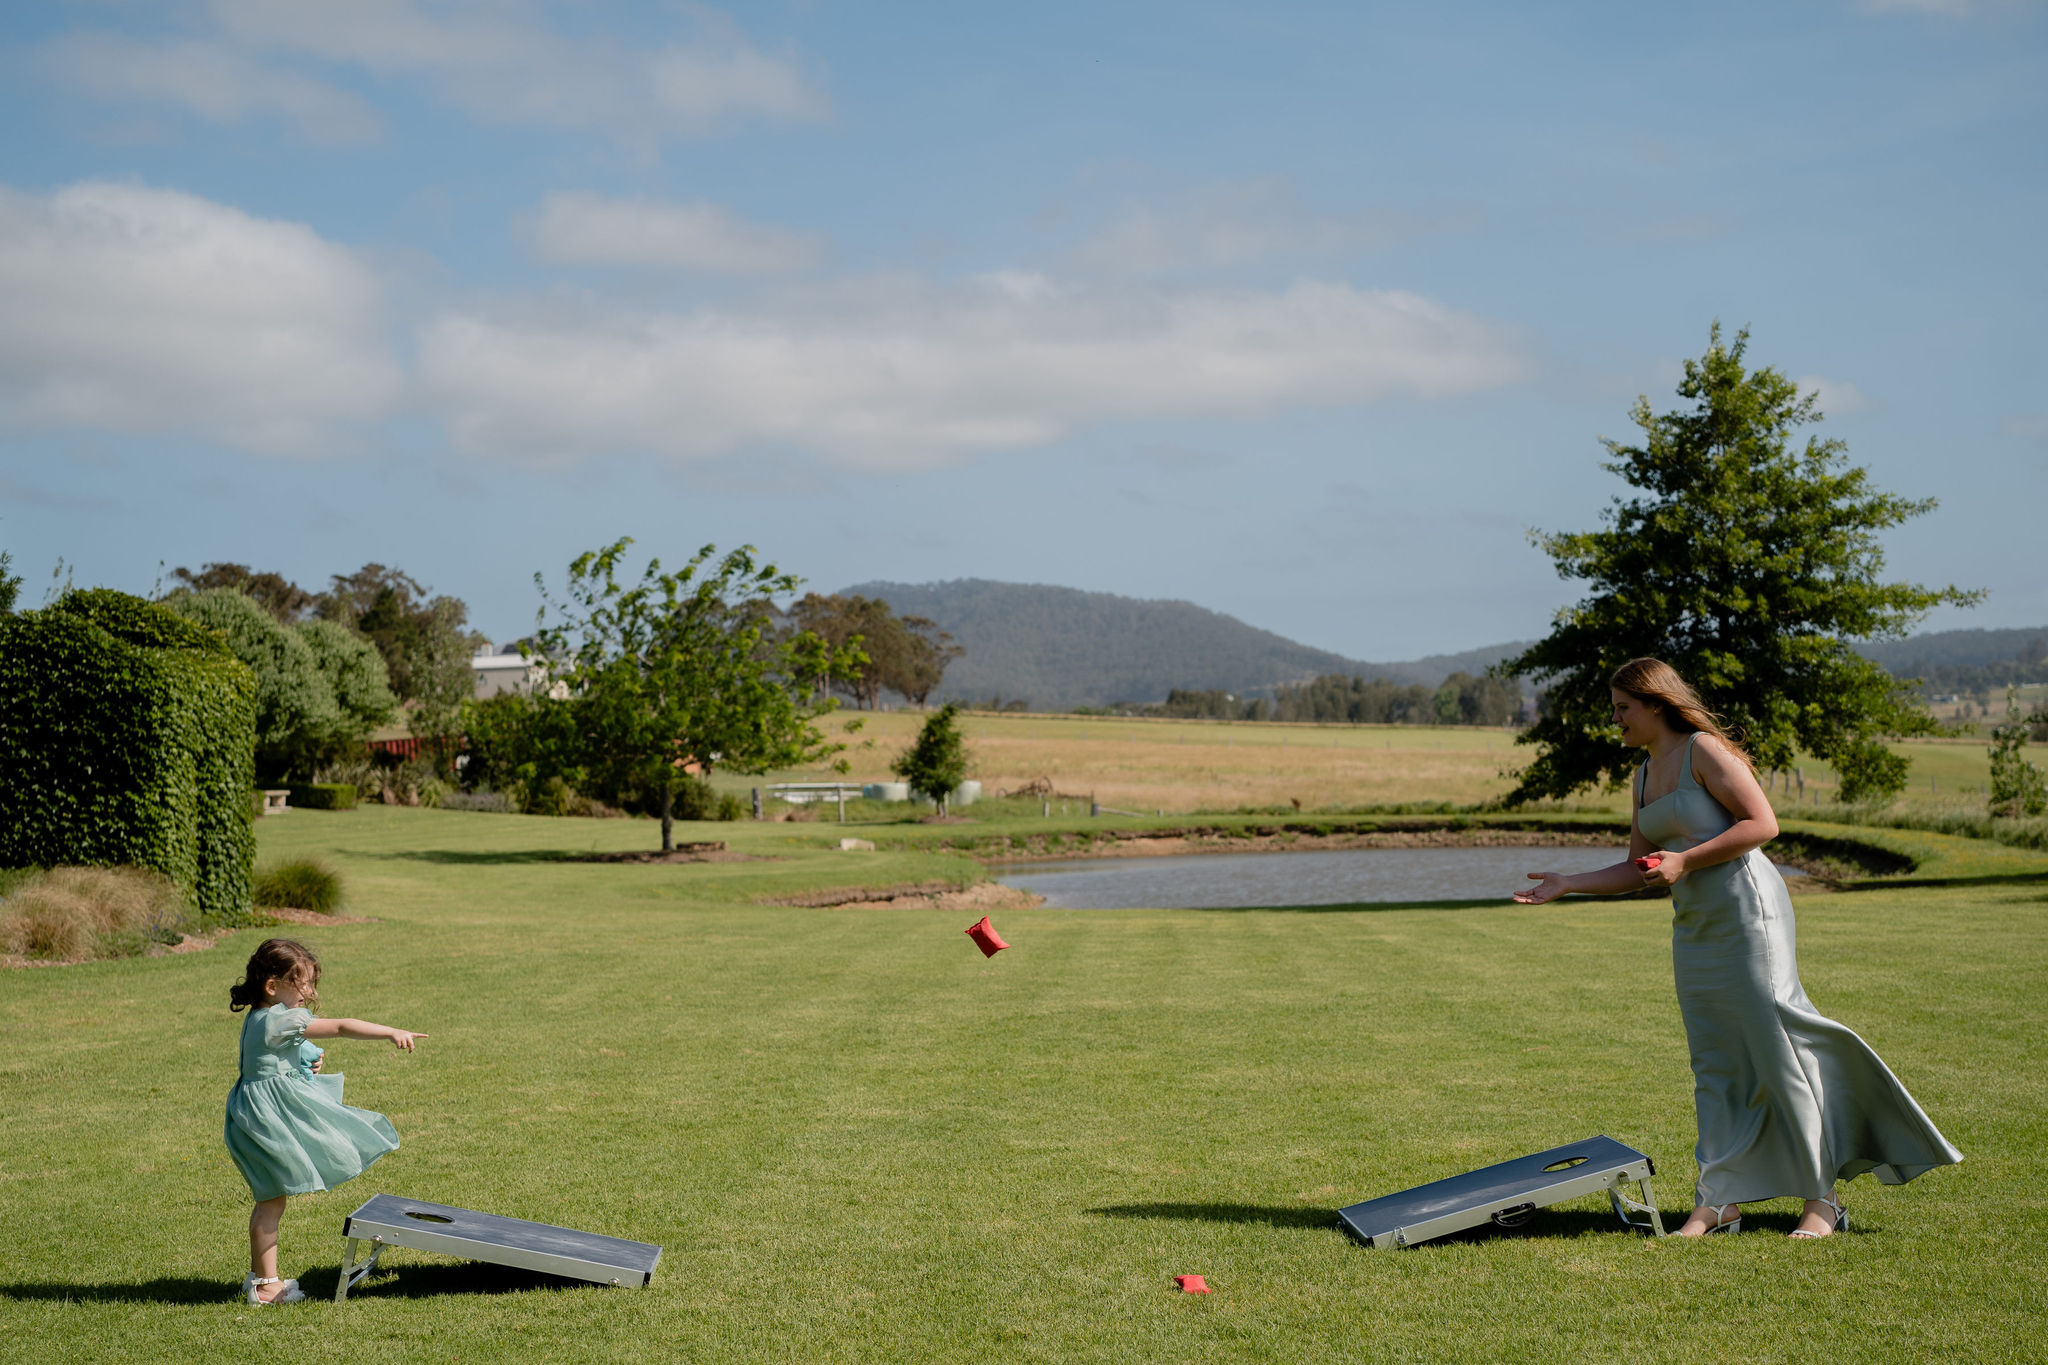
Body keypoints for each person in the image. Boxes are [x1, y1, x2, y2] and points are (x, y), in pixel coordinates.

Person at [1513, 658, 1960, 1239]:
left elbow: (1763, 824)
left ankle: (1822, 1201)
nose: (1615, 718)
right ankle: (1719, 1199)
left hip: (1749, 914)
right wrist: (1568, 883)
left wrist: (1685, 860)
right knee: (1715, 1060)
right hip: (1695, 926)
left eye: (1623, 707)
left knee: (1777, 1051)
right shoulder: (1643, 775)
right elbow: (1637, 866)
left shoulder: (1704, 750)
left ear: (1656, 704)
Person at [224, 938, 425, 1304]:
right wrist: (391, 1032)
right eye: (301, 984)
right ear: (272, 986)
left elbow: (274, 1054)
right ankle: (266, 1287)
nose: (309, 993)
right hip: (267, 1118)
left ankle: (260, 1278)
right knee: (271, 1203)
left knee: (270, 1200)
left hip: (252, 1113)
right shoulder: (281, 1019)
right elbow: (343, 1026)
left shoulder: (261, 1016)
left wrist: (303, 1061)